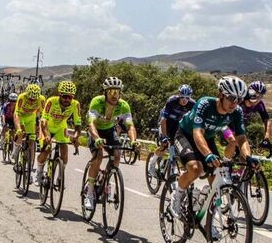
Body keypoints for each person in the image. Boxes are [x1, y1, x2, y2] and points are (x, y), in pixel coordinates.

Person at [169, 76, 258, 218]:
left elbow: (241, 138)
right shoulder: (205, 103)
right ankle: (177, 194)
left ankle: (210, 219)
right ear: (221, 94)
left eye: (239, 99)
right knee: (195, 168)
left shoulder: (237, 112)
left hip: (207, 139)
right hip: (186, 134)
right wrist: (208, 154)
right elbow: (197, 132)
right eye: (232, 98)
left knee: (216, 175)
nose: (235, 103)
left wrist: (248, 157)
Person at [83, 77, 135, 210]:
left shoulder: (123, 105)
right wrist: (96, 138)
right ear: (105, 93)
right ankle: (89, 192)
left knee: (117, 155)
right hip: (95, 130)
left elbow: (130, 126)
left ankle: (107, 181)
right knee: (99, 156)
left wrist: (134, 141)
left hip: (109, 130)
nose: (114, 95)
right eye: (111, 92)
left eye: (117, 92)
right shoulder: (97, 102)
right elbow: (91, 123)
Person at [36, 81, 83, 185]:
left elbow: (78, 125)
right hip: (46, 126)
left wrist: (76, 137)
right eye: (64, 96)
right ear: (59, 95)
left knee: (64, 151)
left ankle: (60, 177)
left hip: (61, 127)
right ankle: (39, 172)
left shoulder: (76, 105)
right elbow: (43, 121)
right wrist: (47, 135)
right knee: (47, 150)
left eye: (70, 97)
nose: (67, 99)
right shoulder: (51, 101)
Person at [147, 84, 194, 178]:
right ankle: (151, 164)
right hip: (165, 122)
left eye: (187, 97)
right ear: (178, 95)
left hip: (177, 124)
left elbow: (192, 123)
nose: (185, 100)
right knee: (164, 145)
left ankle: (167, 162)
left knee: (178, 147)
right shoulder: (172, 101)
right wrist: (164, 136)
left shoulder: (192, 104)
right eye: (182, 97)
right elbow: (163, 121)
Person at [222, 80, 272, 159]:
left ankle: (240, 171)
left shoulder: (259, 104)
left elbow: (267, 120)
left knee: (246, 150)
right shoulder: (240, 100)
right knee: (234, 141)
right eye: (255, 94)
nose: (257, 99)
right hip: (225, 126)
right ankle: (223, 166)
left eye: (260, 96)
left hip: (238, 129)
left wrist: (266, 139)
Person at [11, 84, 45, 172]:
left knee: (32, 141)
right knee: (21, 134)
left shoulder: (41, 99)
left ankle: (29, 167)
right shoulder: (22, 97)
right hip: (21, 116)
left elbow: (43, 115)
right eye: (29, 99)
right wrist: (18, 128)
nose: (31, 101)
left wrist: (40, 128)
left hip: (31, 117)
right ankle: (15, 151)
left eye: (34, 99)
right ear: (26, 95)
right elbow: (16, 114)